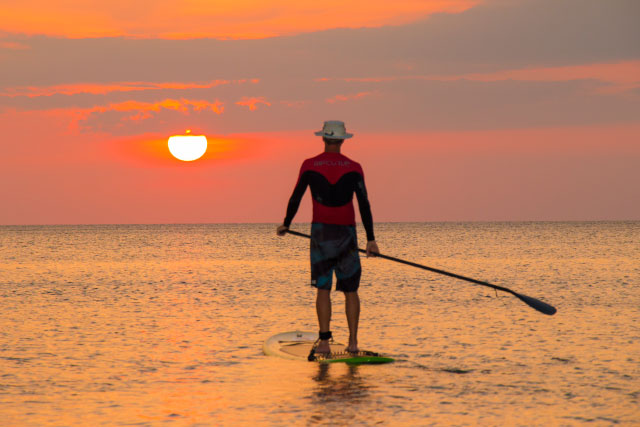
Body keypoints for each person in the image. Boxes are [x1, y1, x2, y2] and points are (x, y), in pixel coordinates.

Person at [277, 120, 379, 355]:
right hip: (347, 234)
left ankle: (324, 342)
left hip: (321, 233)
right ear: (343, 140)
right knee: (351, 290)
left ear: (323, 138)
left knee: (323, 289)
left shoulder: (309, 165)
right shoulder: (354, 167)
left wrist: (286, 224)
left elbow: (296, 197)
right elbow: (364, 204)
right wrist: (371, 239)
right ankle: (353, 343)